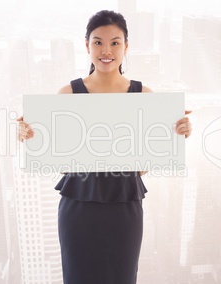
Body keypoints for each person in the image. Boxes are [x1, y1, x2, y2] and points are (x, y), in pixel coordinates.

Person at [16, 10, 193, 284]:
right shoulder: (68, 94)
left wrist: (179, 133)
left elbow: (142, 168)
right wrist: (28, 133)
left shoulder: (144, 96)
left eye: (114, 42)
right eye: (98, 42)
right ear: (87, 46)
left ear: (126, 47)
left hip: (124, 208)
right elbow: (61, 161)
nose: (106, 50)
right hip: (79, 208)